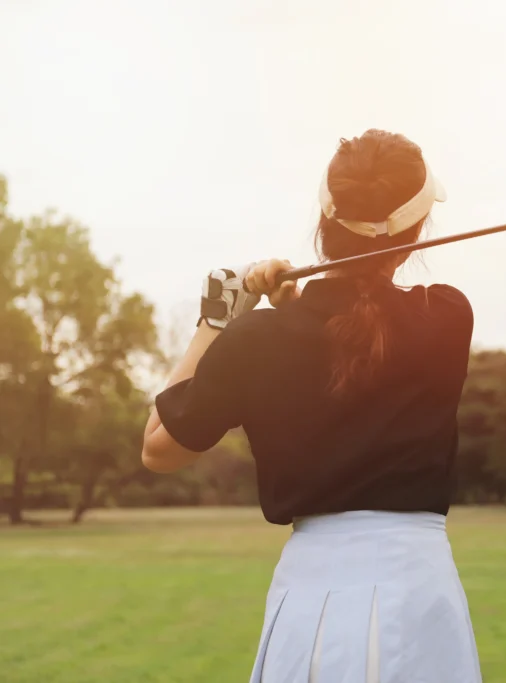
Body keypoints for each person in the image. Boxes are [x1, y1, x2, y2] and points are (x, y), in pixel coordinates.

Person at [140, 129, 482, 683]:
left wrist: (219, 323)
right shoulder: (447, 316)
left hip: (310, 591)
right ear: (416, 234)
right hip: (419, 590)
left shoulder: (260, 338)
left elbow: (158, 447)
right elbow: (351, 343)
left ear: (324, 224)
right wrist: (292, 314)